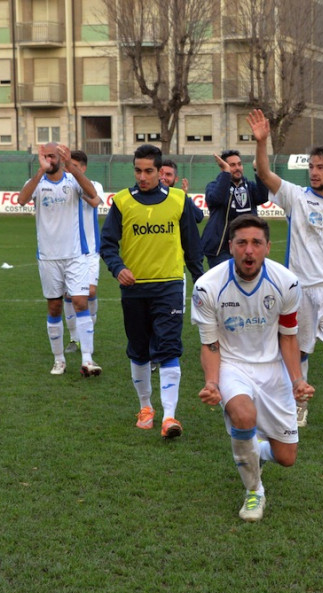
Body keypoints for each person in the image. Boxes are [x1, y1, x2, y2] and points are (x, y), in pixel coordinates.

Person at [192, 214, 315, 522]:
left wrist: (297, 379)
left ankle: (254, 452)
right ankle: (254, 492)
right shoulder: (207, 287)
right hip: (233, 365)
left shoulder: (286, 282)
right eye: (242, 243)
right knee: (243, 415)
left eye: (256, 243)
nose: (249, 251)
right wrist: (212, 383)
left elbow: (288, 338)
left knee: (286, 458)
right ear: (230, 246)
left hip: (273, 369)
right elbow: (210, 344)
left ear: (268, 247)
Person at [247, 108, 323, 438]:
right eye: (311, 166)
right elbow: (266, 174)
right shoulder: (296, 198)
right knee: (302, 351)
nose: (314, 172)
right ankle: (299, 406)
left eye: (320, 167)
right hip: (301, 289)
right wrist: (262, 142)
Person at [100, 144, 204, 438]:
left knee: (169, 347)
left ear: (161, 172)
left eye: (148, 171)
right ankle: (146, 408)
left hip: (169, 286)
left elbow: (192, 247)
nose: (142, 176)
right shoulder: (122, 202)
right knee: (139, 350)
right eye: (138, 170)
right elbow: (107, 243)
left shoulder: (178, 200)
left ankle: (169, 418)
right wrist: (117, 267)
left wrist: (202, 280)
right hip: (134, 289)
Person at [17, 143, 101, 377]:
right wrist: (40, 172)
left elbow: (93, 195)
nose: (49, 160)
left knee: (80, 302)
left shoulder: (73, 180)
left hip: (75, 255)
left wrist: (72, 169)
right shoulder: (35, 182)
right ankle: (59, 360)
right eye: (45, 156)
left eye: (53, 156)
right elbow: (22, 200)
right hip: (48, 257)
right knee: (54, 307)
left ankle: (87, 359)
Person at [63, 150, 104, 355]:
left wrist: (77, 184)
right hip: (68, 251)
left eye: (75, 167)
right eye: (69, 166)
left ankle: (89, 331)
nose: (71, 170)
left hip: (90, 250)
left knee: (91, 291)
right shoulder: (62, 186)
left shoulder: (94, 185)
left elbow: (96, 201)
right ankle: (73, 339)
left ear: (84, 168)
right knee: (69, 295)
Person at [201, 150, 269, 269]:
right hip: (221, 249)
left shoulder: (249, 186)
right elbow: (217, 199)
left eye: (239, 164)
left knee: (247, 283)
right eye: (232, 165)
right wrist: (226, 174)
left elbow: (263, 197)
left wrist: (258, 170)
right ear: (223, 167)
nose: (237, 168)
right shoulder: (213, 186)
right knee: (224, 285)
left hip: (246, 245)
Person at [160, 159, 204, 223]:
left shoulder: (182, 196)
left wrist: (184, 197)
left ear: (176, 179)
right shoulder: (148, 196)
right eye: (161, 174)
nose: (163, 177)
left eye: (168, 174)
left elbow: (198, 217)